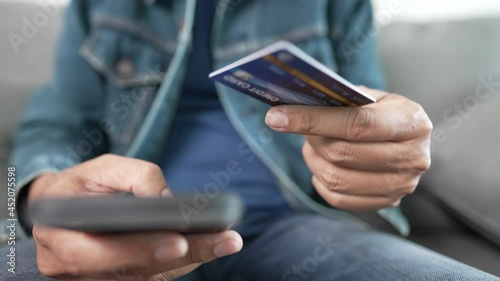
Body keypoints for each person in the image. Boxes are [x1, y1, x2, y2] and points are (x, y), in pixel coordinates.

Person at [1, 0, 499, 280]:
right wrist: (38, 195)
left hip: (301, 230)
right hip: (133, 227)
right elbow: (55, 126)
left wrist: (380, 150)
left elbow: (370, 108)